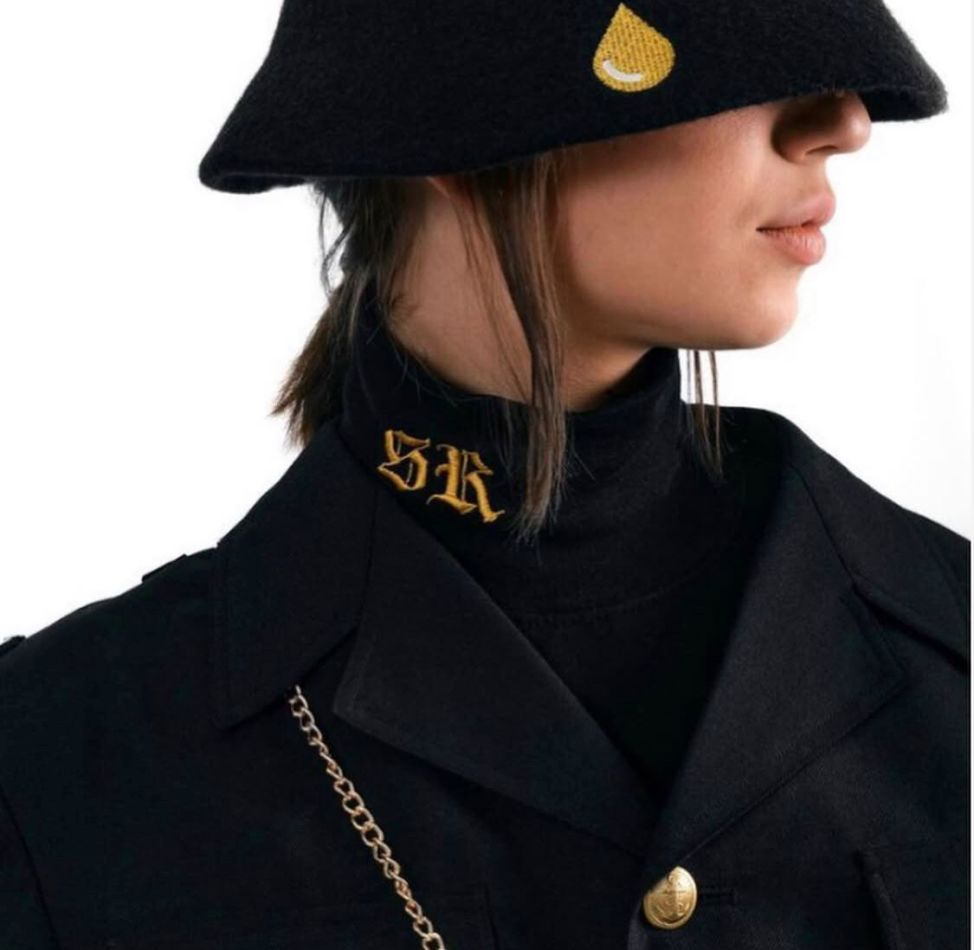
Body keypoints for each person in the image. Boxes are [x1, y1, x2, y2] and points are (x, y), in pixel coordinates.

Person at [1, 2, 968, 948]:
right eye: (724, 30)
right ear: (455, 119)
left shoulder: (948, 645)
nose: (844, 122)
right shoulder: (55, 762)